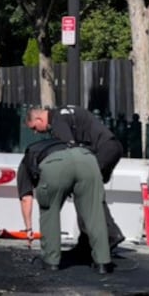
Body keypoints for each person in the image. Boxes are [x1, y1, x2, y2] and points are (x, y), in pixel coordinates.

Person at [25, 106, 125, 257]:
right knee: (84, 192)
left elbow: (69, 148)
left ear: (39, 119)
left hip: (103, 149)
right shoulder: (62, 113)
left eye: (34, 127)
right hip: (110, 147)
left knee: (87, 192)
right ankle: (86, 242)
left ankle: (111, 234)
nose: (35, 132)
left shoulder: (57, 122)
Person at [16, 138, 113, 274]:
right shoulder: (62, 144)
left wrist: (29, 229)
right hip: (86, 159)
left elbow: (26, 198)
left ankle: (51, 261)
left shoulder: (27, 160)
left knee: (49, 211)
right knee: (94, 212)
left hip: (55, 165)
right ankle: (103, 262)